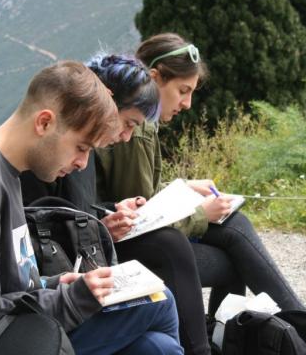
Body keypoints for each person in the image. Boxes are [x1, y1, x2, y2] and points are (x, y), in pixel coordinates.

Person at [94, 33, 306, 355]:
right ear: (155, 78)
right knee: (236, 250)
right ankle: (299, 332)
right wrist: (200, 214)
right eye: (183, 91)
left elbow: (141, 193)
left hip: (140, 242)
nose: (187, 104)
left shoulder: (140, 125)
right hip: (134, 250)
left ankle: (273, 332)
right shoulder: (136, 130)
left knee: (235, 226)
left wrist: (186, 187)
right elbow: (141, 216)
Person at [0, 61, 184, 355]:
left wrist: (55, 284)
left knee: (155, 347)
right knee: (160, 301)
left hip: (19, 331)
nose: (82, 164)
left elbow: (8, 287)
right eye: (82, 147)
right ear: (44, 123)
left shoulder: (3, 172)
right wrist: (70, 300)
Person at [20, 54, 213, 355]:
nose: (125, 137)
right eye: (128, 124)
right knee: (162, 296)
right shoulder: (38, 164)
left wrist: (106, 216)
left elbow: (74, 213)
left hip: (69, 285)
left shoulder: (73, 158)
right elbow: (40, 235)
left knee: (159, 346)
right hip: (53, 307)